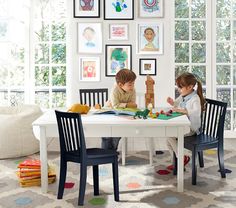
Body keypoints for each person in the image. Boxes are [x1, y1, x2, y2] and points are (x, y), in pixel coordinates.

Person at [162, 72, 205, 173]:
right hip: (184, 125)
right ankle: (178, 161)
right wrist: (172, 102)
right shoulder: (183, 95)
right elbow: (176, 103)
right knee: (168, 140)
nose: (179, 89)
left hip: (191, 129)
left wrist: (183, 111)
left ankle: (182, 158)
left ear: (190, 87)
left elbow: (196, 112)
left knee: (170, 136)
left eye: (181, 87)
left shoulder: (195, 99)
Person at [101, 69, 137, 150]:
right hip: (108, 113)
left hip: (122, 114)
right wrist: (127, 104)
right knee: (106, 136)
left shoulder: (132, 90)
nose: (132, 86)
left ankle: (112, 154)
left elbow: (133, 105)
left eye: (133, 83)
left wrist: (121, 105)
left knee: (117, 135)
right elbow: (115, 106)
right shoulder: (114, 90)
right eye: (130, 84)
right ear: (120, 85)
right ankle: (105, 154)